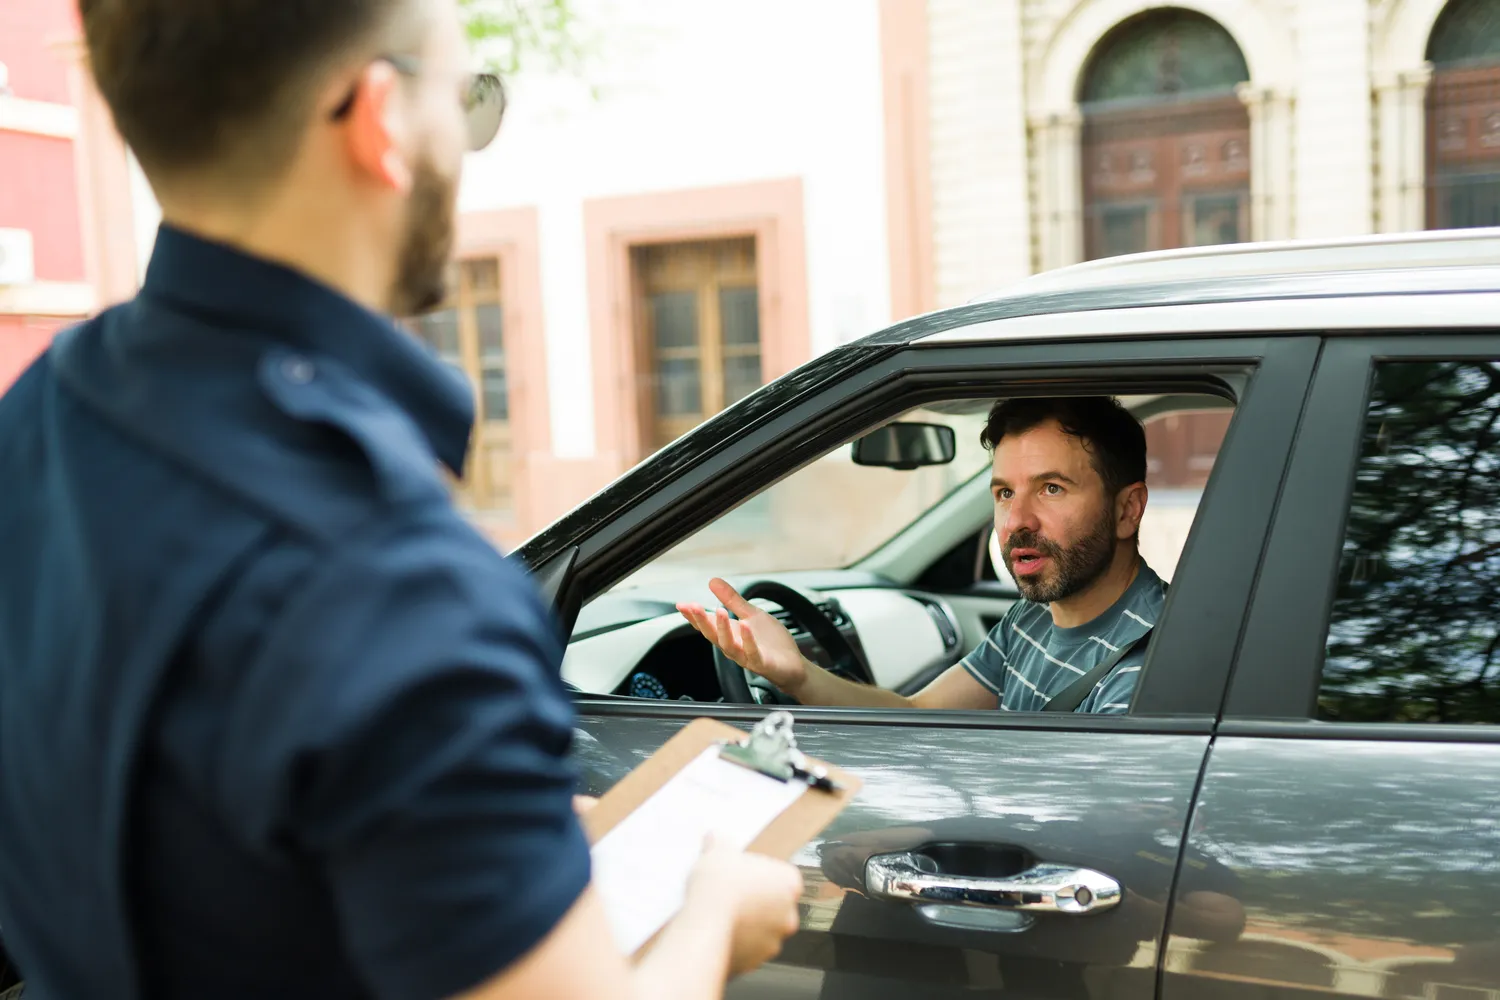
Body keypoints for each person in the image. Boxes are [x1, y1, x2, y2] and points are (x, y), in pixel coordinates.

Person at [0, 1, 800, 998]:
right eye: (466, 98)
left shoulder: (38, 419)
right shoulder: (395, 581)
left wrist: (517, 828)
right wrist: (717, 910)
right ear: (382, 117)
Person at [680, 396, 1166, 713]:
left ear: (1128, 510)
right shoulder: (1033, 617)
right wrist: (797, 674)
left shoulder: (1144, 670)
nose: (1017, 520)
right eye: (1003, 494)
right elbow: (915, 715)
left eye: (1052, 488)